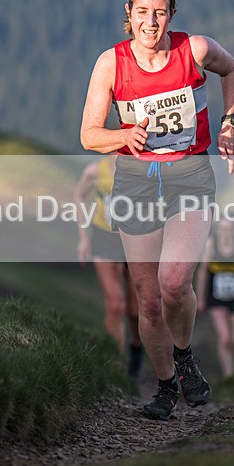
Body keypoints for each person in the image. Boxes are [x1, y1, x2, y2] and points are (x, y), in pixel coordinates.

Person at [80, 0, 234, 421]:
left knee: (174, 282)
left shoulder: (196, 50)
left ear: (172, 14)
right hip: (136, 181)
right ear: (128, 15)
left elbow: (231, 70)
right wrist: (123, 134)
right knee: (147, 298)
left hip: (190, 173)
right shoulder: (111, 64)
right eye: (143, 12)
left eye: (160, 12)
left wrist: (229, 124)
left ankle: (185, 357)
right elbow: (89, 135)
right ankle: (166, 386)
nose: (152, 22)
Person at [73, 154, 143, 380]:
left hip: (135, 239)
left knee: (135, 309)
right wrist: (83, 237)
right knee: (115, 305)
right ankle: (116, 366)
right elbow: (78, 197)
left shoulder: (141, 168)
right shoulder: (95, 171)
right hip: (104, 238)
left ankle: (136, 347)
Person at [196, 219, 234, 379]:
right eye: (222, 229)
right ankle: (229, 377)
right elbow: (203, 272)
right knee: (224, 339)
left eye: (229, 230)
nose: (225, 233)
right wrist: (200, 298)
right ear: (217, 230)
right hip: (216, 299)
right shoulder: (211, 244)